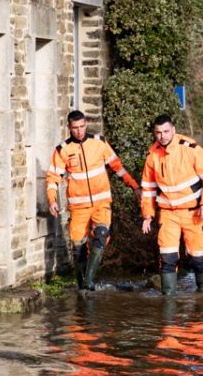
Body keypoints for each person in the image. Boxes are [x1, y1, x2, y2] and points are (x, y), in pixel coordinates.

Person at [45, 110, 141, 291]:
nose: (79, 131)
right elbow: (52, 178)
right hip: (78, 207)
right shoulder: (62, 150)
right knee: (78, 248)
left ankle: (89, 281)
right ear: (69, 128)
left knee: (101, 236)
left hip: (101, 203)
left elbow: (117, 167)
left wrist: (134, 186)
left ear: (86, 125)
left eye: (82, 127)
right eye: (75, 128)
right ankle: (83, 289)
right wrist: (52, 200)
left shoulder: (99, 142)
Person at [140, 115, 203, 295]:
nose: (162, 136)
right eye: (158, 133)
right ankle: (168, 302)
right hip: (168, 215)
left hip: (193, 214)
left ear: (173, 130)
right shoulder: (152, 155)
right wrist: (148, 215)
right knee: (167, 257)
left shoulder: (191, 149)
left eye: (166, 131)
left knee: (197, 257)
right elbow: (148, 189)